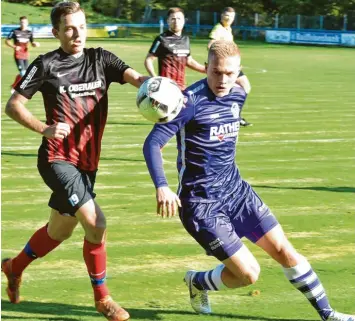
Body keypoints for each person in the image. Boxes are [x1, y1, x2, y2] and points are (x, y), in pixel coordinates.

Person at [143, 40, 354, 321]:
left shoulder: (238, 94)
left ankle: (328, 314)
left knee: (285, 251)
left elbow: (244, 84)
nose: (222, 79)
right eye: (216, 72)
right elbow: (152, 143)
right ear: (205, 68)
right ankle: (197, 281)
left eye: (229, 73)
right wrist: (162, 186)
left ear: (238, 72)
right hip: (201, 205)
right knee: (248, 274)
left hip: (237, 192)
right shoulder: (189, 102)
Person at [2, 2, 148, 321]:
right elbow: (13, 106)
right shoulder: (45, 65)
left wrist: (159, 89)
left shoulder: (102, 59)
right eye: (69, 28)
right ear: (56, 32)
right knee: (96, 224)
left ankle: (13, 267)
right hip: (57, 159)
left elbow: (137, 79)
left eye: (81, 26)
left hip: (87, 163)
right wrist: (45, 128)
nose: (76, 33)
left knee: (60, 230)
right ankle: (103, 299)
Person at [208, 7, 252, 127]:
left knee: (239, 87)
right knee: (244, 85)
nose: (228, 18)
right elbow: (210, 45)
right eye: (226, 15)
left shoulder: (228, 29)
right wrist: (220, 56)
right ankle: (234, 115)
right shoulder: (218, 28)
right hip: (224, 66)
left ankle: (232, 114)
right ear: (222, 15)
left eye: (231, 16)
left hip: (231, 65)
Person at [144, 7, 205, 91]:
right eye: (173, 19)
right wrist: (154, 77)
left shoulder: (185, 39)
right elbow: (148, 60)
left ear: (184, 21)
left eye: (179, 18)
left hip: (181, 88)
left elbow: (188, 61)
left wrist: (206, 70)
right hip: (165, 87)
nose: (176, 21)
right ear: (168, 21)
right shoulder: (161, 39)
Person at [5, 16, 40, 93]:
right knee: (23, 72)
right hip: (18, 54)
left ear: (27, 23)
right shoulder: (14, 31)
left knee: (25, 73)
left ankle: (14, 86)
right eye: (21, 22)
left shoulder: (29, 32)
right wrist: (14, 46)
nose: (23, 24)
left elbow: (32, 42)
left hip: (25, 55)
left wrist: (35, 44)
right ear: (19, 23)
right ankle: (15, 86)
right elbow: (7, 41)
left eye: (24, 22)